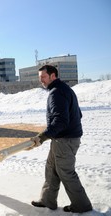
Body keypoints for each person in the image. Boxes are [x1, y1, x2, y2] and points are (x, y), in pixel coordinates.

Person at [29, 65, 93, 213]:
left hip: (65, 140)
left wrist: (42, 137)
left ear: (53, 76)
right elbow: (77, 114)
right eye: (40, 79)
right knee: (51, 169)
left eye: (44, 77)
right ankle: (47, 200)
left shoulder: (56, 93)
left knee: (66, 172)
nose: (41, 81)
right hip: (62, 139)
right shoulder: (65, 89)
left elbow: (61, 121)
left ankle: (82, 205)